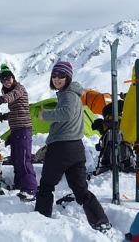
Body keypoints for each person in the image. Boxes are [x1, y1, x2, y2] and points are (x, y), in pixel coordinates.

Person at [35, 61, 111, 232]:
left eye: (61, 76)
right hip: (76, 149)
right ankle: (100, 220)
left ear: (68, 77)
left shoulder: (68, 94)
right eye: (54, 76)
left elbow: (66, 113)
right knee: (80, 189)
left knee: (46, 185)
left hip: (61, 147)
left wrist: (44, 114)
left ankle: (39, 219)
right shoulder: (72, 94)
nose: (57, 79)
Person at [0, 63, 37, 201]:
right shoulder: (10, 92)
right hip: (16, 130)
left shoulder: (19, 89)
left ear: (13, 78)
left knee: (24, 160)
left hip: (24, 129)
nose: (6, 82)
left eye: (8, 78)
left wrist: (2, 99)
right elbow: (17, 111)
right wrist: (4, 116)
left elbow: (13, 95)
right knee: (17, 159)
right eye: (3, 80)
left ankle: (30, 189)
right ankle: (19, 185)